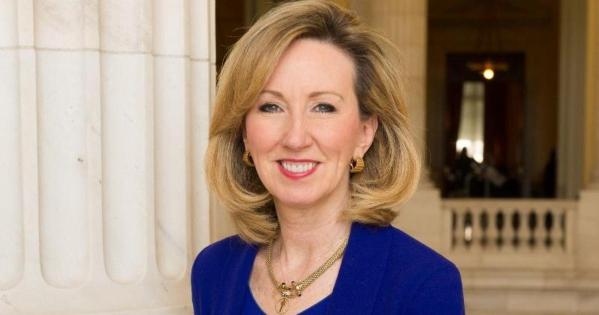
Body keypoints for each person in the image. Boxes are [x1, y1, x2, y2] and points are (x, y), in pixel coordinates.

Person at [191, 1, 465, 314]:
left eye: (323, 107)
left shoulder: (423, 284)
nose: (295, 138)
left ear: (364, 133)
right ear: (244, 133)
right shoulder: (212, 271)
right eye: (270, 106)